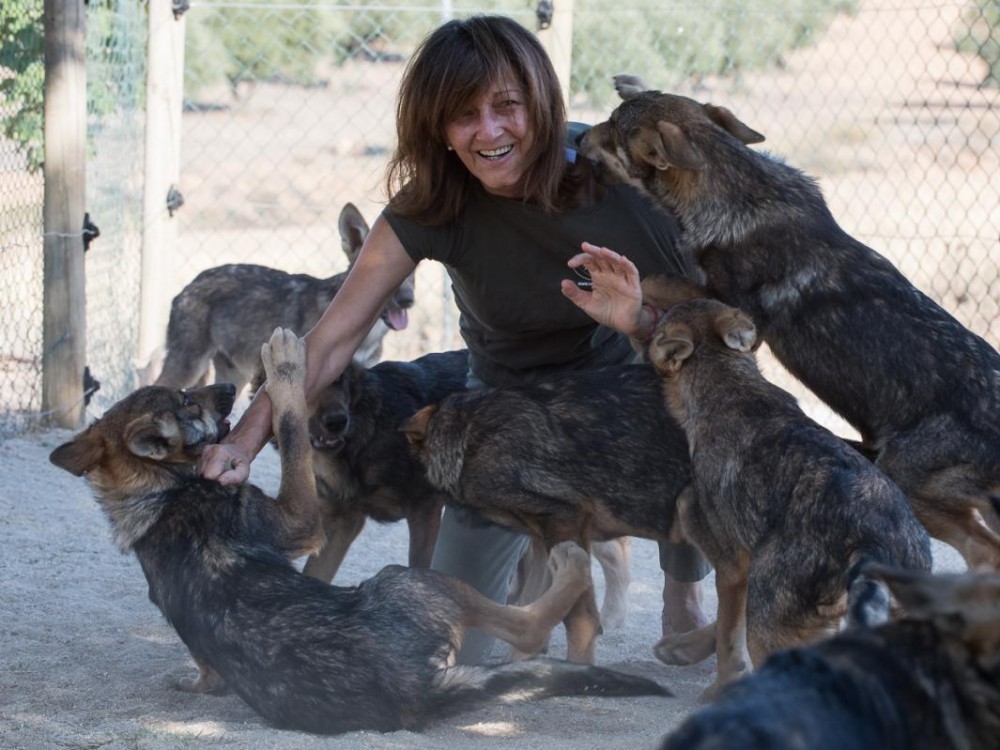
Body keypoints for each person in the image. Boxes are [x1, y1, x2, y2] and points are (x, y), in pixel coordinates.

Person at [200, 14, 710, 664]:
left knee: (696, 397)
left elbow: (713, 331)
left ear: (541, 104)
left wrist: (638, 322)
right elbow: (328, 342)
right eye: (464, 115)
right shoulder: (434, 200)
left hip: (621, 396)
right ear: (437, 128)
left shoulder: (623, 180)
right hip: (501, 416)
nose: (488, 132)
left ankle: (684, 587)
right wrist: (243, 442)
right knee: (454, 653)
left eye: (507, 106)